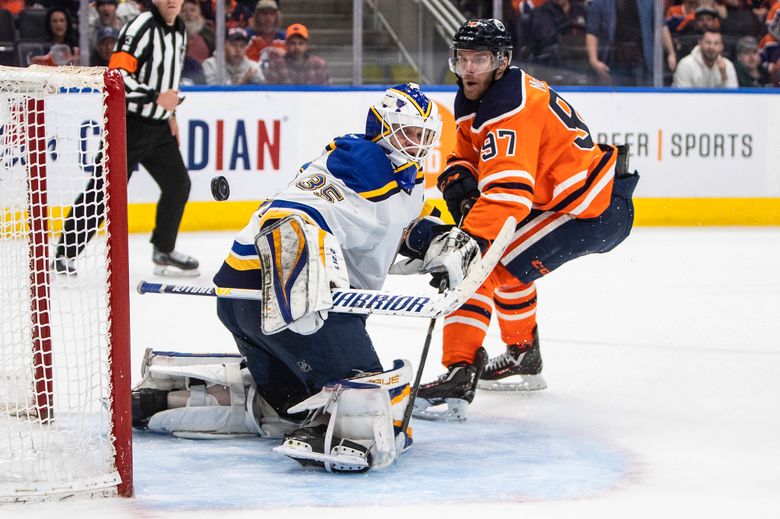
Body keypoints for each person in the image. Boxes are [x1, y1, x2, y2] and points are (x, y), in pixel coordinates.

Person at [130, 84, 448, 473]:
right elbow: (291, 215)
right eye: (408, 132)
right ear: (380, 126)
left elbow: (391, 225)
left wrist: (434, 240)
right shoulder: (362, 161)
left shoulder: (402, 181)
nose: (416, 143)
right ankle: (335, 428)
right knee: (370, 405)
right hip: (287, 302)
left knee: (283, 407)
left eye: (424, 135)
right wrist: (301, 290)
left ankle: (163, 403)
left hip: (238, 298)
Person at [410, 19, 639, 422]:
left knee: (481, 266)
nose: (468, 69)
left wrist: (466, 245)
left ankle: (460, 371)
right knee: (510, 268)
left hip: (590, 209)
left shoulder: (510, 106)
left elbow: (507, 196)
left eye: (479, 59)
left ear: (502, 61)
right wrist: (458, 177)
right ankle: (522, 355)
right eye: (462, 58)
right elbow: (466, 155)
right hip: (567, 204)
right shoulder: (480, 95)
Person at [52, 0, 200, 277]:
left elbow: (168, 75)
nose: (172, 1)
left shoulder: (180, 28)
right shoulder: (141, 26)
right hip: (128, 125)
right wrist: (155, 97)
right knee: (103, 191)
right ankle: (64, 254)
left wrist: (169, 114)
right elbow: (117, 74)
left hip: (159, 127)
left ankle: (163, 250)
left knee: (178, 184)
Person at [585, 0, 655, 86]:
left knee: (642, 96)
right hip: (613, 62)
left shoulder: (648, 2)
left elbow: (660, 25)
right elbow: (592, 31)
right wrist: (593, 60)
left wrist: (671, 53)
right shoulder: (601, 2)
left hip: (641, 62)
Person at [263, 23, 331, 85]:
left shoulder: (320, 65)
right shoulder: (275, 66)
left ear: (307, 45)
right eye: (293, 43)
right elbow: (270, 94)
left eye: (301, 43)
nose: (297, 47)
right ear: (286, 45)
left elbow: (327, 94)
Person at [672, 29, 738, 87]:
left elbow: (733, 98)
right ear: (700, 43)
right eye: (708, 42)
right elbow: (683, 97)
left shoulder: (728, 65)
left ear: (721, 47)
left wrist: (724, 76)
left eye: (716, 43)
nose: (711, 47)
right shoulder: (685, 64)